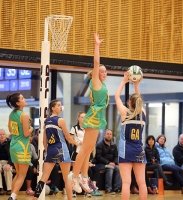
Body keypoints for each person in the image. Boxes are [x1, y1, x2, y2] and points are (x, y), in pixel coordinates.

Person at [68, 33, 109, 193]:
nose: (104, 73)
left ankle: (83, 176)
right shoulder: (95, 82)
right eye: (101, 71)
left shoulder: (103, 85)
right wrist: (97, 45)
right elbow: (96, 62)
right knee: (85, 148)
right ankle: (74, 175)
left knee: (89, 148)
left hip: (99, 116)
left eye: (106, 72)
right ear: (96, 74)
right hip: (94, 116)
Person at [33, 99, 79, 200]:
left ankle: (35, 198)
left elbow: (44, 140)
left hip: (51, 150)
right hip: (62, 149)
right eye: (58, 105)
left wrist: (47, 150)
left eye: (61, 105)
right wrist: (78, 143)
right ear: (52, 108)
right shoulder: (60, 120)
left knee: (44, 177)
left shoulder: (47, 121)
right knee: (66, 178)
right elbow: (68, 138)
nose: (60, 107)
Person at [114, 71, 147, 200]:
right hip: (139, 150)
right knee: (142, 182)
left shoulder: (125, 112)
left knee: (126, 183)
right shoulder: (143, 113)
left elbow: (116, 97)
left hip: (126, 150)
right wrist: (136, 85)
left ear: (129, 103)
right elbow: (138, 100)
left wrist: (124, 81)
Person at [6, 93, 34, 200]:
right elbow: (27, 134)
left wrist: (26, 124)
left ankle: (12, 196)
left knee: (18, 174)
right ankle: (12, 197)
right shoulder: (24, 115)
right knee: (22, 175)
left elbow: (10, 130)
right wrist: (31, 128)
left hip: (13, 145)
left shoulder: (11, 114)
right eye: (22, 98)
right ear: (18, 103)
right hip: (23, 146)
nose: (25, 99)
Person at [95, 129, 122, 194]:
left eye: (110, 134)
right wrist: (108, 162)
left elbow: (116, 156)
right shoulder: (99, 144)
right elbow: (98, 157)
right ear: (104, 135)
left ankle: (117, 188)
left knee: (118, 168)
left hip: (111, 164)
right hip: (101, 164)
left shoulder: (114, 146)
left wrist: (115, 163)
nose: (109, 135)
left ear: (112, 136)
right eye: (107, 134)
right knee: (110, 168)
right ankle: (108, 189)